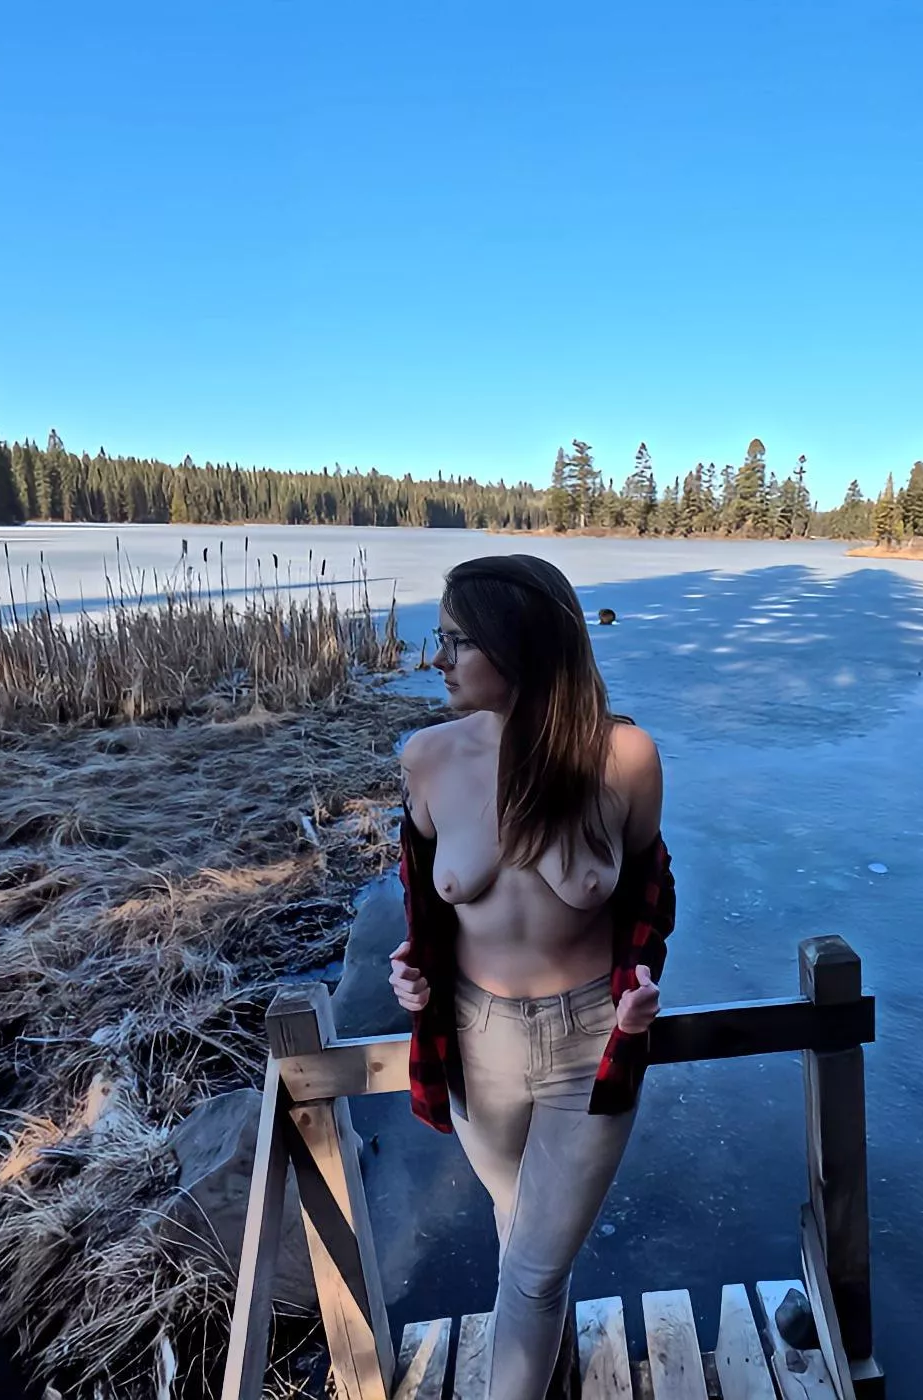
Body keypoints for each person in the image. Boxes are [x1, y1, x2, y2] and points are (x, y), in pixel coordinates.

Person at [389, 554, 676, 1400]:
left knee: (533, 1272)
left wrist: (640, 978)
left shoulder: (623, 757)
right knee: (517, 1231)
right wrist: (410, 974)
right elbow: (423, 908)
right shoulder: (428, 759)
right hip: (476, 1038)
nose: (435, 661)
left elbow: (649, 893)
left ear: (519, 644)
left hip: (590, 1042)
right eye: (435, 640)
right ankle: (550, 1376)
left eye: (455, 641)